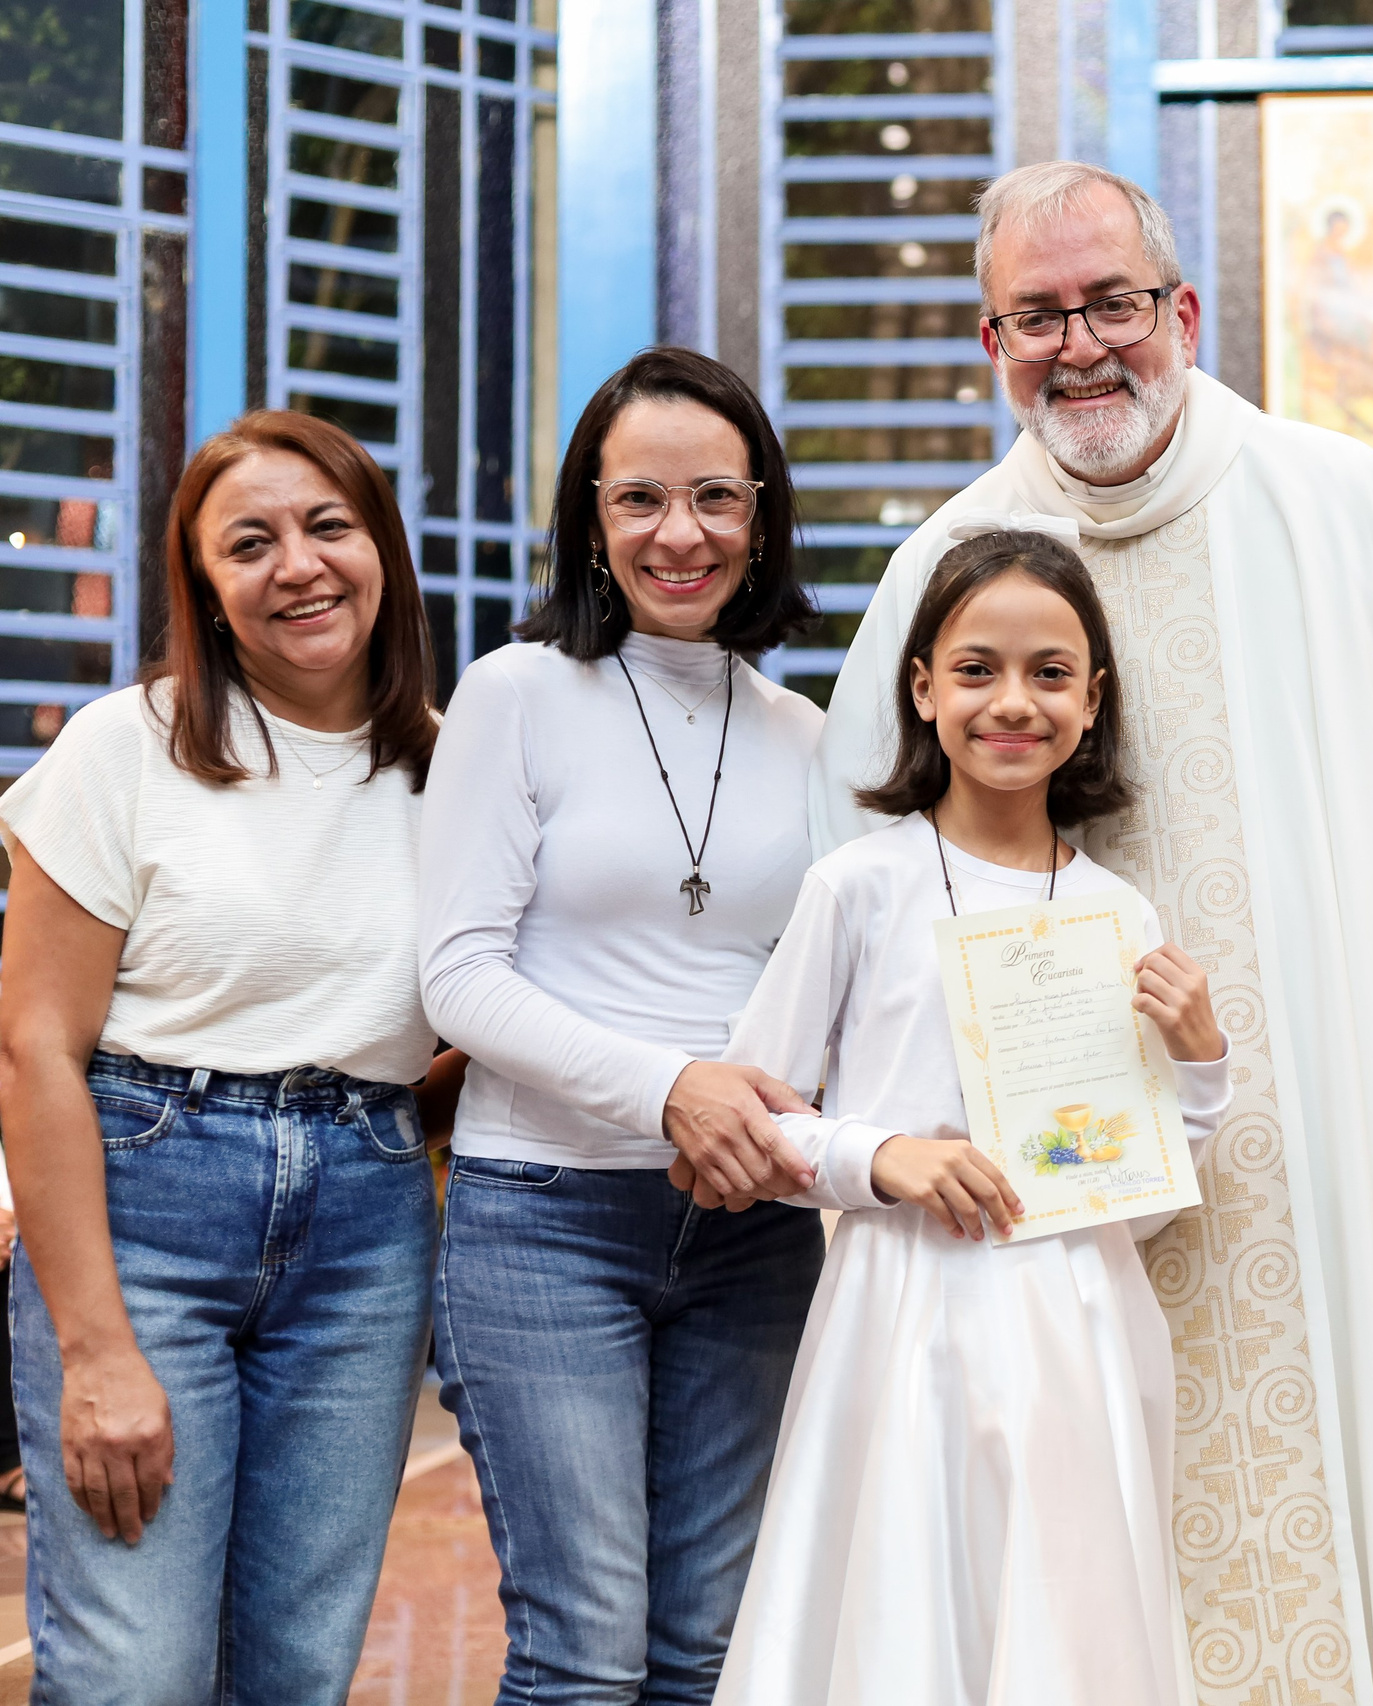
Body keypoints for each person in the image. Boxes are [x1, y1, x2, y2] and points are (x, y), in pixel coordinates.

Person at [808, 160, 1373, 1703]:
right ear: (992, 342)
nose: (1082, 346)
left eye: (1112, 302)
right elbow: (860, 878)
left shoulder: (1343, 508)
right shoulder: (944, 565)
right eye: (1038, 315)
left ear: (1182, 309)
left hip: (1329, 1156)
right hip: (1037, 1221)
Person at [714, 529, 1234, 1704]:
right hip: (902, 1306)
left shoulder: (1116, 911)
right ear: (922, 688)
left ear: (1092, 700)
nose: (1012, 701)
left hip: (1079, 1314)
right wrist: (879, 1155)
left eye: (1050, 672)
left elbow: (1142, 1190)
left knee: (1069, 1629)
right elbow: (749, 1123)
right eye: (975, 668)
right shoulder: (858, 885)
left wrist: (1202, 1060)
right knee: (904, 1612)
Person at [0, 411, 460, 1702]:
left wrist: (389, 1126)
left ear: (381, 549)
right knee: (134, 1668)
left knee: (297, 1666)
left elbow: (485, 1017)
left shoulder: (453, 767)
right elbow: (34, 1048)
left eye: (328, 526)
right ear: (204, 586)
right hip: (146, 1207)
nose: (297, 565)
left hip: (366, 1226)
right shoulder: (123, 748)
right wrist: (95, 1349)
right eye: (249, 543)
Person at [418, 347, 828, 1703]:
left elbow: (820, 974)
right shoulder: (514, 693)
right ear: (591, 519)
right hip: (546, 1217)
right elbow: (459, 976)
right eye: (640, 497)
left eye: (716, 496)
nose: (680, 533)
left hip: (754, 1226)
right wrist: (674, 1091)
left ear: (760, 513)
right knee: (584, 1653)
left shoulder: (808, 736)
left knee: (711, 1648)